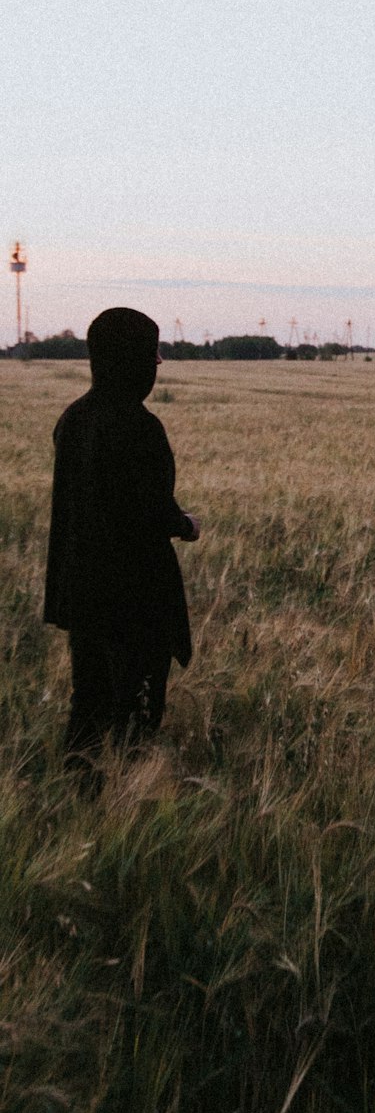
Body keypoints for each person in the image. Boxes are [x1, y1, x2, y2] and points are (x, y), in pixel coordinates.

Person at [44, 307, 200, 785]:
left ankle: (79, 798)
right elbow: (149, 512)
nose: (156, 365)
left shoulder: (74, 419)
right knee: (138, 712)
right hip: (135, 598)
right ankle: (128, 799)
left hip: (84, 591)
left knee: (88, 705)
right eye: (151, 355)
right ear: (129, 360)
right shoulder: (138, 426)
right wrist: (185, 523)